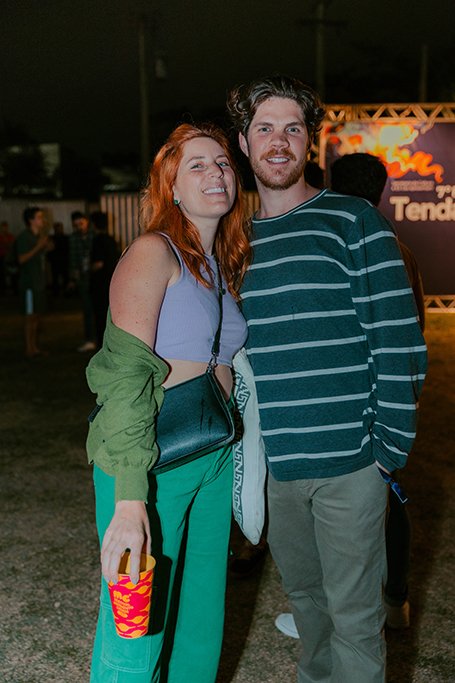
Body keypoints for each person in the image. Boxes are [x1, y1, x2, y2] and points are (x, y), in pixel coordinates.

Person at [227, 75, 427, 683]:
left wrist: (385, 452)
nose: (279, 141)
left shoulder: (353, 221)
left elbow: (399, 340)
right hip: (279, 470)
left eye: (292, 128)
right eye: (265, 128)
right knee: (308, 610)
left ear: (310, 141)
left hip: (352, 465)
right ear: (244, 142)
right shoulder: (236, 241)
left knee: (356, 619)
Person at [86, 122, 251, 682]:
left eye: (222, 162)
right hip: (149, 458)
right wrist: (130, 500)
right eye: (196, 165)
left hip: (213, 453)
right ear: (171, 188)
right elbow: (123, 377)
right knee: (135, 629)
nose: (216, 173)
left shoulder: (221, 264)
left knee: (201, 618)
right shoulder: (152, 253)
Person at [330, 151, 425, 629]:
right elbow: (415, 326)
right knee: (388, 496)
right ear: (382, 190)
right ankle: (393, 598)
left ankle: (369, 603)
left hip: (354, 397)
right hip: (387, 393)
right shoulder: (398, 247)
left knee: (363, 502)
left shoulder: (346, 244)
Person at [15, 207, 51, 357]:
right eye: (39, 217)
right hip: (29, 284)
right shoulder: (24, 237)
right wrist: (39, 247)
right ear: (31, 220)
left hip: (38, 282)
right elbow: (21, 259)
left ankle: (34, 347)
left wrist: (46, 248)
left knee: (36, 316)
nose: (43, 220)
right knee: (30, 317)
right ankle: (29, 349)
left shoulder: (38, 236)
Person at [89, 210, 120, 348]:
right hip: (111, 281)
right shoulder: (111, 240)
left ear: (94, 224)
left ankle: (101, 343)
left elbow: (98, 264)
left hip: (99, 283)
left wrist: (88, 269)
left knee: (100, 315)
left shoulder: (98, 240)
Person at [69, 210, 96, 351]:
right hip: (83, 279)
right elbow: (73, 259)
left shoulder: (94, 236)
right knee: (87, 309)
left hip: (96, 278)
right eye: (76, 225)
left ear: (86, 222)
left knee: (99, 309)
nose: (79, 227)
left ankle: (98, 338)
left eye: (81, 223)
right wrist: (74, 278)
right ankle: (90, 339)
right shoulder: (73, 238)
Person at [47, 221, 69, 296]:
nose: (59, 230)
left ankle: (65, 292)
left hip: (63, 260)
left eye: (60, 228)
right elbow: (49, 250)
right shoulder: (52, 238)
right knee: (56, 278)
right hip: (56, 261)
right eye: (57, 228)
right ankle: (56, 292)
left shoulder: (65, 238)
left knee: (65, 278)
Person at [0, 220, 15, 295]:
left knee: (12, 271)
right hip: (1, 257)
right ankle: (2, 289)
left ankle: (14, 288)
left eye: (6, 228)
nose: (4, 229)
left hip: (9, 257)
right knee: (2, 273)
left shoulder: (10, 236)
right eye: (3, 228)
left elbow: (12, 245)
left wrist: (5, 245)